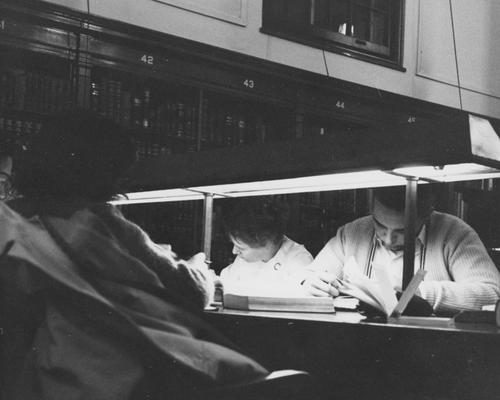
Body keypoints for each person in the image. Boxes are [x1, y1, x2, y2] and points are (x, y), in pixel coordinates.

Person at [0, 110, 268, 400]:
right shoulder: (94, 219)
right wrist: (198, 270)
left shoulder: (12, 216)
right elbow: (187, 292)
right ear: (104, 172)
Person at [301, 185, 500, 316]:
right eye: (379, 225)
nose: (388, 239)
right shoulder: (353, 232)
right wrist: (311, 283)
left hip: (428, 348)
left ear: (426, 215)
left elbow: (493, 293)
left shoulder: (454, 233)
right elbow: (307, 277)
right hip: (359, 342)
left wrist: (418, 294)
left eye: (402, 231)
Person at [219, 198, 313, 294]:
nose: (234, 252)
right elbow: (227, 280)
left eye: (241, 248)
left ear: (266, 242)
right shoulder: (243, 259)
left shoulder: (299, 260)